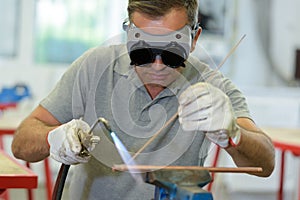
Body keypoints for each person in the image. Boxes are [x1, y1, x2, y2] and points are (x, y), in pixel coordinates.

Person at [11, 0, 275, 199]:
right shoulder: (94, 67)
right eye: (143, 52)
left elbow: (265, 165)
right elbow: (21, 143)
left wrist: (233, 134)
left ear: (194, 39)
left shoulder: (214, 88)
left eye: (172, 54)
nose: (158, 65)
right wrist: (53, 138)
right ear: (129, 34)